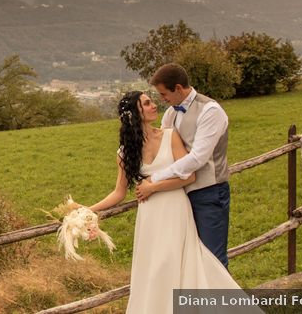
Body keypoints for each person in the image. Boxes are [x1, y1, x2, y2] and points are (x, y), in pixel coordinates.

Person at [86, 90, 250, 314]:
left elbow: (189, 176)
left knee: (173, 261)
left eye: (153, 100)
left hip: (175, 208)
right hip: (150, 216)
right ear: (135, 112)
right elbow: (119, 192)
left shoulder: (170, 135)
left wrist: (153, 186)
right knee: (155, 268)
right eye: (147, 103)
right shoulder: (125, 152)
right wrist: (87, 210)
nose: (154, 105)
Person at [149, 63, 231, 268]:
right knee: (188, 259)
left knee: (213, 259)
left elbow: (197, 158)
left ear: (178, 88)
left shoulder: (210, 110)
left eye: (163, 93)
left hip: (209, 192)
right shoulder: (170, 114)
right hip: (179, 196)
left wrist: (155, 179)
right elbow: (164, 148)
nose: (162, 99)